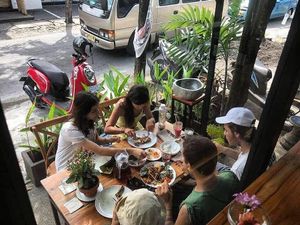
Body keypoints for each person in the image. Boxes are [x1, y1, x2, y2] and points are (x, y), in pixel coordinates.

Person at [156, 135, 238, 225]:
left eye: (183, 158)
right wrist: (192, 182)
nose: (181, 160)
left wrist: (167, 204)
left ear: (189, 166)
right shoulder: (230, 176)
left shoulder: (189, 208)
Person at [55, 92, 145, 171]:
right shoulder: (70, 129)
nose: (98, 113)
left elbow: (96, 139)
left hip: (86, 160)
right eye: (94, 111)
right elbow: (100, 150)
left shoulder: (88, 121)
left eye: (97, 109)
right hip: (69, 168)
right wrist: (132, 151)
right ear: (82, 113)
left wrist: (109, 140)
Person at [215, 107, 256, 180]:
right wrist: (222, 149)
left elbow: (226, 186)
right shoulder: (254, 145)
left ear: (237, 133)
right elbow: (241, 156)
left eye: (226, 130)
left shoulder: (237, 169)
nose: (224, 133)